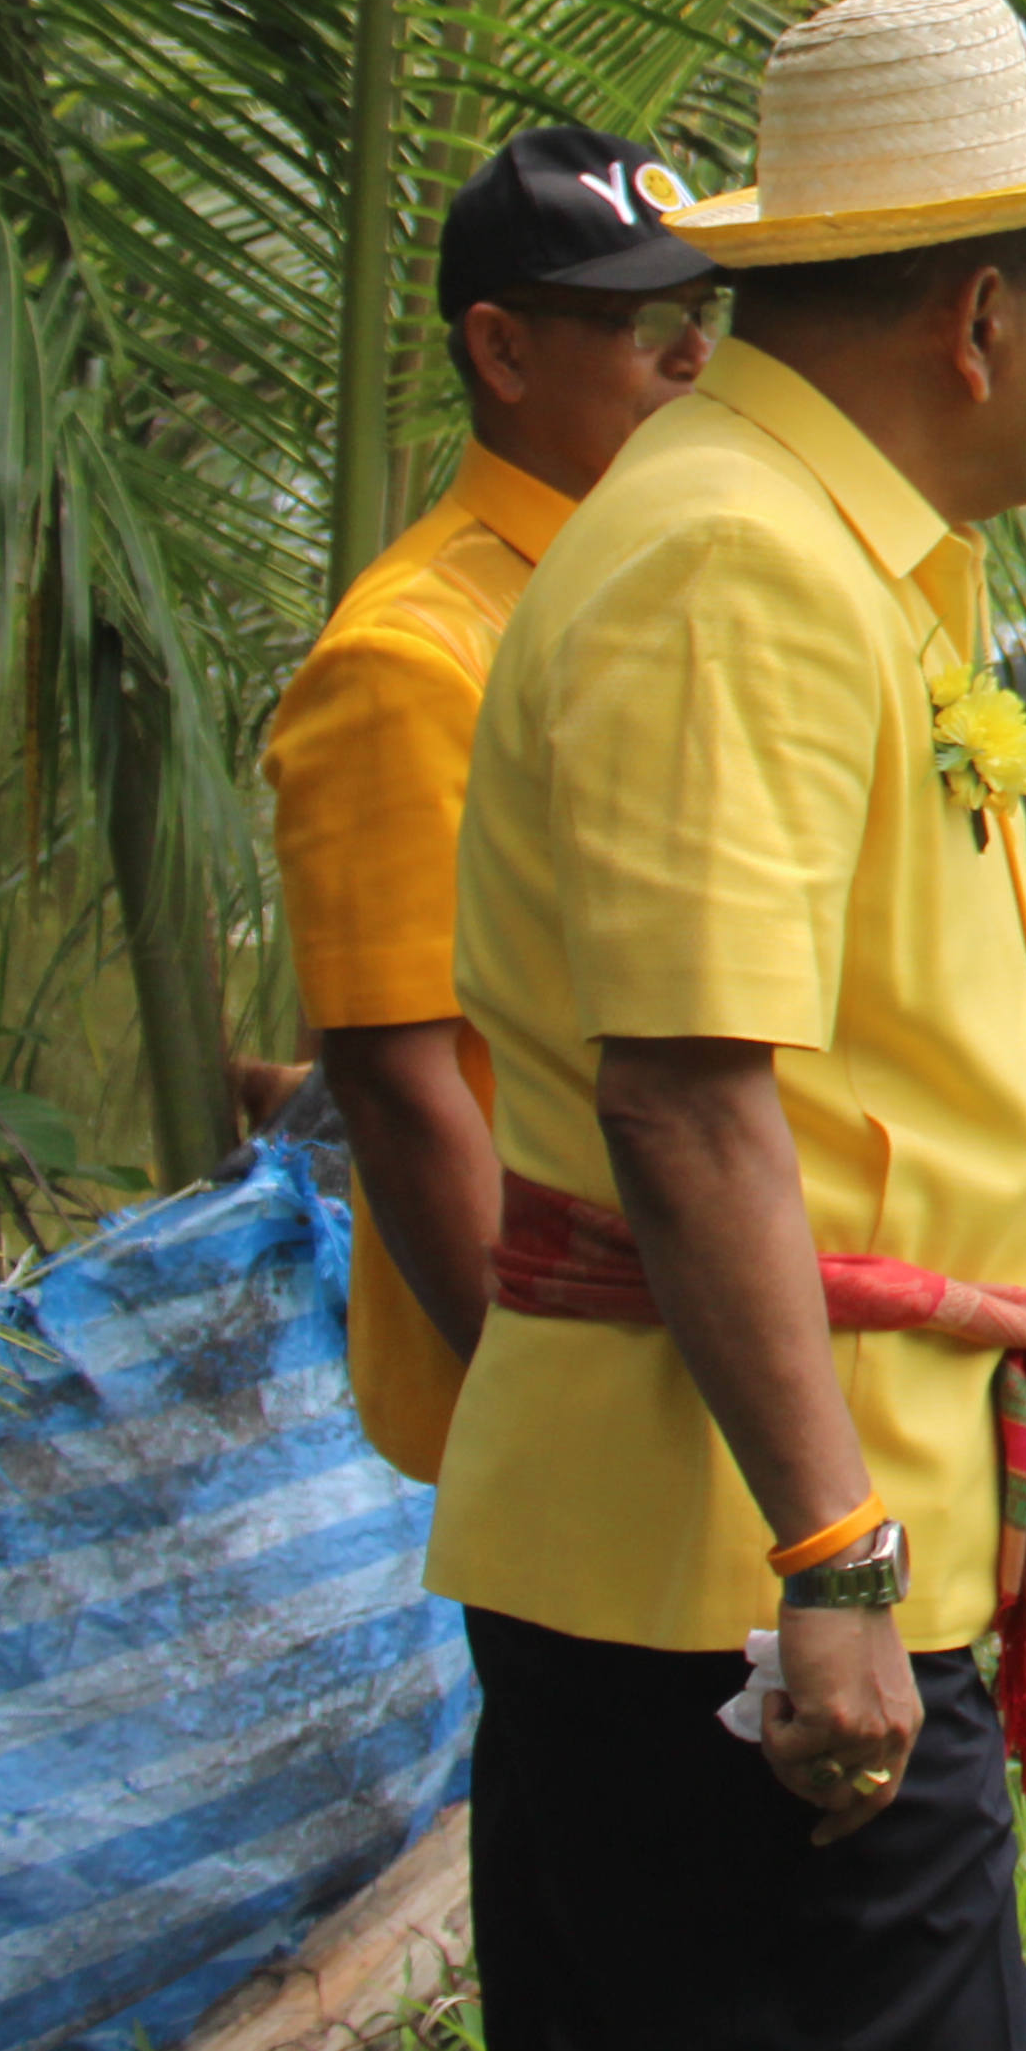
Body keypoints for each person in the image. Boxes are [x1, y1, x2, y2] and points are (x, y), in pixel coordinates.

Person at [432, 0, 1026, 2051]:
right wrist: (833, 1567)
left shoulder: (818, 544)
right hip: (738, 1575)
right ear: (976, 319)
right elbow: (683, 1098)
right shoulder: (739, 569)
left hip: (775, 1534)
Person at [263, 128, 723, 1487]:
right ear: (504, 353)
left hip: (711, 1344)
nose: (696, 359)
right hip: (577, 1396)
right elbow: (400, 1083)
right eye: (645, 325)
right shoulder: (408, 659)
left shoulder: (655, 581)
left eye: (706, 316)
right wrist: (552, 1408)